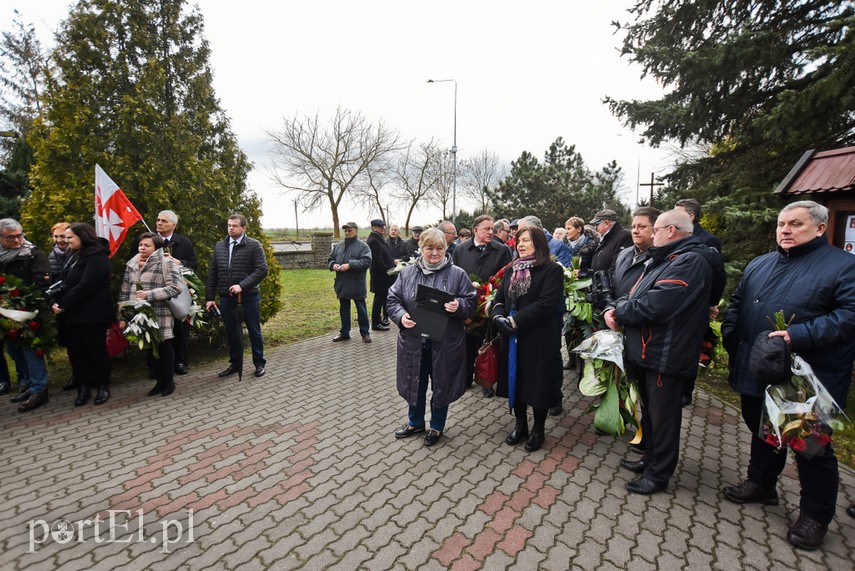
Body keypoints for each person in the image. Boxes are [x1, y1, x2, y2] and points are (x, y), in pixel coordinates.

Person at [721, 200, 855, 551]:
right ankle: (762, 484)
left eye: (795, 224)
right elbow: (738, 300)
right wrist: (732, 334)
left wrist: (800, 335)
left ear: (821, 228)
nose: (785, 230)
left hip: (804, 378)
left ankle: (815, 515)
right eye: (782, 224)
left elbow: (849, 316)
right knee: (762, 429)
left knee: (810, 448)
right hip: (756, 366)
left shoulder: (843, 267)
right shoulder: (762, 262)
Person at [604, 209, 720, 495]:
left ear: (671, 231)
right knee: (652, 414)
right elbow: (636, 293)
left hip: (665, 353)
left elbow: (657, 305)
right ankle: (650, 458)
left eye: (655, 229)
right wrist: (618, 306)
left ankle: (659, 474)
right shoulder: (666, 259)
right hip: (649, 350)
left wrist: (619, 311)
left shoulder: (689, 261)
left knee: (664, 416)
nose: (650, 234)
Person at [387, 228, 476, 447]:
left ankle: (437, 426)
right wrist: (401, 316)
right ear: (421, 249)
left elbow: (471, 303)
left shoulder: (457, 274)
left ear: (446, 249)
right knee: (414, 383)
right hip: (414, 342)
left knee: (441, 384)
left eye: (439, 248)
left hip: (444, 343)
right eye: (429, 248)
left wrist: (459, 306)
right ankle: (415, 422)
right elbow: (392, 300)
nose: (434, 253)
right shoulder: (407, 273)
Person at [491, 226, 565, 452]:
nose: (520, 245)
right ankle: (520, 425)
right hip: (512, 337)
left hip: (538, 336)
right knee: (516, 378)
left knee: (538, 383)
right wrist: (497, 316)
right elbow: (500, 297)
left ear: (539, 244)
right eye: (519, 241)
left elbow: (547, 304)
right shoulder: (513, 269)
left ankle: (538, 430)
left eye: (526, 241)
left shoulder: (551, 270)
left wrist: (515, 322)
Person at [51, 223, 113, 406]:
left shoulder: (98, 257)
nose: (66, 241)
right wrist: (55, 298)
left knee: (96, 350)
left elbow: (87, 285)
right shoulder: (74, 255)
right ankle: (84, 387)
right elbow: (64, 280)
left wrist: (63, 303)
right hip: (73, 314)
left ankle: (103, 386)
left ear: (83, 237)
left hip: (93, 315)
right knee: (78, 352)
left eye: (70, 237)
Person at [674, 198, 727, 406]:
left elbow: (717, 274)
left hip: (696, 304)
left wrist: (710, 303)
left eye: (677, 213)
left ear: (691, 216)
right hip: (677, 301)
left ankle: (686, 391)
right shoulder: (676, 234)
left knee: (690, 347)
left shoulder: (707, 240)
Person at [452, 214, 512, 397]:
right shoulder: (460, 250)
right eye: (486, 229)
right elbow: (454, 275)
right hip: (467, 306)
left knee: (487, 343)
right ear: (475, 230)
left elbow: (506, 277)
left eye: (492, 229)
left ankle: (487, 381)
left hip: (490, 305)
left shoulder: (501, 250)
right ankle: (466, 378)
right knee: (467, 344)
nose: (490, 232)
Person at [205, 214, 269, 378]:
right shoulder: (220, 246)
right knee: (232, 332)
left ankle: (259, 363)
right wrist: (210, 298)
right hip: (227, 298)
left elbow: (262, 270)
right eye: (229, 225)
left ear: (243, 228)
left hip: (248, 297)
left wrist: (242, 285)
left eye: (234, 226)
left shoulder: (254, 245)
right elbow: (213, 274)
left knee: (254, 330)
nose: (231, 228)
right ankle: (235, 364)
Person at [119, 232, 182, 396]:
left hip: (160, 311)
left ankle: (169, 382)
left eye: (147, 245)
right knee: (149, 348)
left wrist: (150, 294)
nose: (142, 248)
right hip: (140, 313)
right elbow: (125, 290)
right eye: (141, 245)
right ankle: (159, 381)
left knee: (163, 345)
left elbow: (176, 287)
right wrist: (123, 314)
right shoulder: (132, 263)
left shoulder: (166, 262)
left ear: (156, 247)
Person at [0, 219, 52, 412]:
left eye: (19, 235)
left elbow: (42, 281)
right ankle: (30, 384)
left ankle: (40, 389)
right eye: (10, 237)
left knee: (31, 350)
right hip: (5, 313)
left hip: (28, 310)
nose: (16, 240)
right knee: (13, 349)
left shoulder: (32, 254)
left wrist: (24, 303)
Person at [155, 210, 197, 375]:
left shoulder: (184, 242)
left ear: (173, 225)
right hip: (156, 292)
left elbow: (194, 264)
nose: (159, 223)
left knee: (179, 330)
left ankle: (180, 361)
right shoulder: (149, 240)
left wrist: (179, 262)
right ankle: (157, 365)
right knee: (157, 329)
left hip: (178, 293)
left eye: (164, 221)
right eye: (158, 220)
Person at [328, 222, 372, 343]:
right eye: (345, 231)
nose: (347, 232)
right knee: (344, 309)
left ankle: (365, 333)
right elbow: (330, 259)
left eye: (349, 230)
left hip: (357, 283)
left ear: (356, 231)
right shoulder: (338, 246)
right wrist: (333, 265)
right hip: (342, 283)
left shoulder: (363, 246)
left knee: (361, 309)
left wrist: (349, 265)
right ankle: (344, 333)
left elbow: (366, 262)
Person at [366, 219, 395, 331]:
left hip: (384, 276)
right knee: (378, 300)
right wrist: (390, 269)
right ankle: (375, 323)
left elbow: (384, 256)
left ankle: (379, 321)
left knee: (382, 299)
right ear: (374, 228)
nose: (383, 228)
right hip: (380, 276)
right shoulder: (373, 240)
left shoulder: (378, 238)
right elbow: (377, 261)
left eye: (383, 226)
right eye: (380, 226)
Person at [589, 209, 632, 274]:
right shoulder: (605, 238)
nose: (595, 228)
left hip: (610, 283)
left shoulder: (624, 237)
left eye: (597, 224)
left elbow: (616, 267)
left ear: (606, 223)